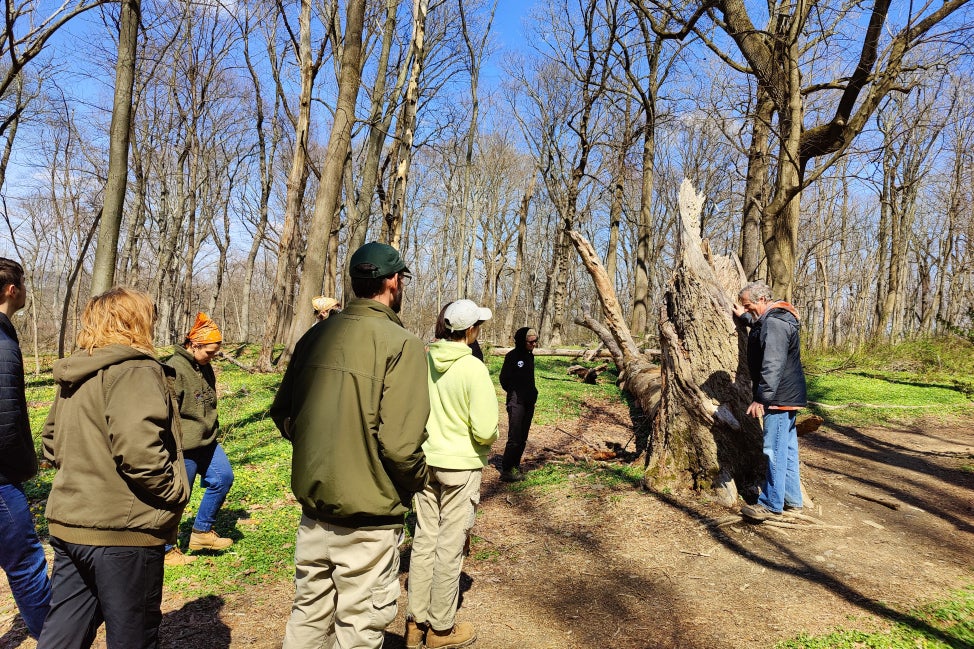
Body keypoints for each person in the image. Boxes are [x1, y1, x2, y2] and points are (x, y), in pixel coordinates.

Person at [271, 242, 430, 649]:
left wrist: (321, 451)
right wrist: (416, 480)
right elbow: (399, 445)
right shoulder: (402, 344)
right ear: (393, 282)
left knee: (307, 617)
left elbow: (284, 415)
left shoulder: (315, 337)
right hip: (369, 519)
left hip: (314, 511)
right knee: (358, 628)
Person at [38, 287, 190, 649]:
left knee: (64, 635)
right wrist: (176, 492)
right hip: (124, 531)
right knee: (132, 637)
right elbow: (140, 453)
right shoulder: (135, 368)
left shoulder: (78, 371)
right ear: (136, 320)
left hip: (71, 522)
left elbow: (50, 441)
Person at [406, 300, 498, 649]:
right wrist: (484, 440)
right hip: (460, 465)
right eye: (479, 327)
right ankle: (441, 629)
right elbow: (486, 428)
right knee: (449, 545)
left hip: (425, 461)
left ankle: (415, 625)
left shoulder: (423, 360)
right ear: (470, 330)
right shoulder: (473, 368)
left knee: (424, 539)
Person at [0, 258, 51, 639]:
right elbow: (4, 423)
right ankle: (55, 638)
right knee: (25, 561)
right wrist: (23, 467)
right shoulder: (1, 341)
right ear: (11, 289)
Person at [732, 280, 808, 523]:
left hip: (777, 396)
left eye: (749, 305)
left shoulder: (775, 323)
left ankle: (771, 505)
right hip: (787, 395)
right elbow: (759, 324)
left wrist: (761, 399)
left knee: (773, 450)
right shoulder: (776, 319)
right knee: (786, 449)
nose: (748, 308)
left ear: (763, 299)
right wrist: (745, 318)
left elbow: (772, 364)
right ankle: (792, 500)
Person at [163, 312, 234, 566]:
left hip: (208, 441)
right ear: (194, 345)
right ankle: (167, 548)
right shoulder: (174, 368)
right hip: (184, 446)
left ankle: (202, 532)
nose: (213, 357)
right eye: (210, 352)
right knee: (179, 496)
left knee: (223, 477)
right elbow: (167, 411)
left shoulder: (203, 365)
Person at [499, 327, 539, 482]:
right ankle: (507, 470)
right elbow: (504, 379)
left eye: (536, 341)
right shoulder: (512, 356)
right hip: (516, 402)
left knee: (523, 436)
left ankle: (516, 464)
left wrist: (532, 393)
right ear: (522, 341)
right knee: (514, 436)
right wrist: (514, 393)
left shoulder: (530, 357)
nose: (534, 344)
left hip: (529, 401)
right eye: (531, 341)